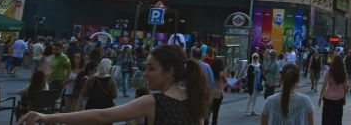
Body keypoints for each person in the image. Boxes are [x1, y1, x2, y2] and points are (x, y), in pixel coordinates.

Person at [17, 43, 210, 125]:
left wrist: (49, 117)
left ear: (169, 72)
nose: (145, 73)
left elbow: (102, 116)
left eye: (152, 68)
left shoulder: (154, 101)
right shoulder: (194, 99)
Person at [319, 54, 347, 125]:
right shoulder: (344, 73)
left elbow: (324, 85)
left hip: (328, 98)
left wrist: (320, 97)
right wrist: (344, 98)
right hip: (339, 98)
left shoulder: (329, 71)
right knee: (338, 118)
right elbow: (345, 88)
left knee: (327, 118)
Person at [210, 58, 226, 125]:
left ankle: (206, 122)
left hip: (211, 93)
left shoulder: (211, 72)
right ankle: (214, 123)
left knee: (209, 110)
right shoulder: (222, 73)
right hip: (219, 94)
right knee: (216, 110)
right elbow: (225, 81)